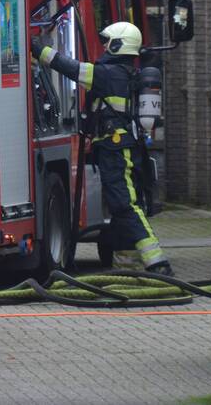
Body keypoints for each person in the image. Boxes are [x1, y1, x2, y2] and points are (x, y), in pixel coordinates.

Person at [31, 21, 174, 276]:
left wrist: (37, 48)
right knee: (121, 209)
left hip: (116, 150)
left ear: (118, 45)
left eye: (108, 41)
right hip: (126, 147)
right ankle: (127, 270)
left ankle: (157, 261)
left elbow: (69, 68)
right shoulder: (128, 73)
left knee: (125, 205)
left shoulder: (107, 74)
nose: (105, 46)